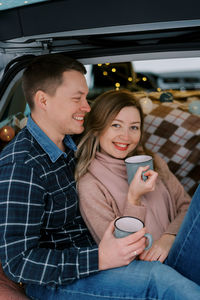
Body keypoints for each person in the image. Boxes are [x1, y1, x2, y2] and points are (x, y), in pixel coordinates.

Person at [0, 54, 200, 300]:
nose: (87, 106)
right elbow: (18, 262)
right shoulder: (22, 165)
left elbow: (112, 132)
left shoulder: (71, 145)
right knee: (158, 280)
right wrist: (99, 258)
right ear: (43, 100)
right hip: (59, 280)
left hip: (103, 260)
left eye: (86, 97)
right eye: (78, 98)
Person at [76, 89, 200, 284]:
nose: (125, 136)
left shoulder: (154, 162)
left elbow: (187, 207)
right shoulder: (90, 185)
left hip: (179, 253)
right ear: (97, 128)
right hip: (150, 272)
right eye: (116, 125)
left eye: (134, 127)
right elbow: (120, 251)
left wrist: (169, 238)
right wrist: (133, 199)